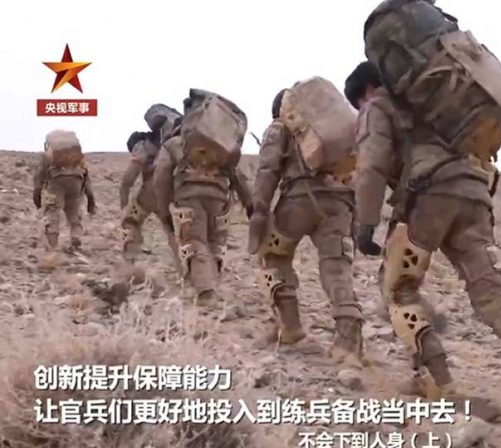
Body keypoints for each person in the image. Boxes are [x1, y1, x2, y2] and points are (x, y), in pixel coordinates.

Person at [346, 61, 501, 433]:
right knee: (492, 292)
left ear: (367, 91)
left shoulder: (379, 105)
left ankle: (438, 381)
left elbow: (372, 165)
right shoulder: (435, 98)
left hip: (427, 197)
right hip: (474, 193)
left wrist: (366, 223)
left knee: (399, 289)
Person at [246, 88, 364, 365]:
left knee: (274, 256)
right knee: (336, 267)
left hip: (297, 203)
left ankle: (291, 328)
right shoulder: (334, 130)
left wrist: (259, 210)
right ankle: (348, 343)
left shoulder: (279, 127)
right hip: (339, 203)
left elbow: (267, 170)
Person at [153, 89, 253, 307]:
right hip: (219, 198)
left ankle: (206, 293)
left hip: (189, 197)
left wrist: (163, 210)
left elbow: (161, 178)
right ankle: (211, 286)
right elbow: (241, 177)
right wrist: (251, 207)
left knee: (195, 242)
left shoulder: (175, 144)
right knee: (216, 243)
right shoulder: (224, 145)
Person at [120, 104, 182, 265]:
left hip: (153, 190)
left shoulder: (142, 144)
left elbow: (128, 179)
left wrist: (124, 205)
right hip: (176, 191)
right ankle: (185, 270)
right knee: (172, 231)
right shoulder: (174, 143)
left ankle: (129, 265)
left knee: (131, 222)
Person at [33, 130, 96, 251]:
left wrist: (37, 197)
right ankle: (76, 237)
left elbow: (39, 178)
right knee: (74, 214)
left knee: (52, 213)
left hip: (56, 183)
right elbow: (87, 181)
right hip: (76, 183)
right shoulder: (78, 159)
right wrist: (91, 202)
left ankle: (52, 246)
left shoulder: (48, 155)